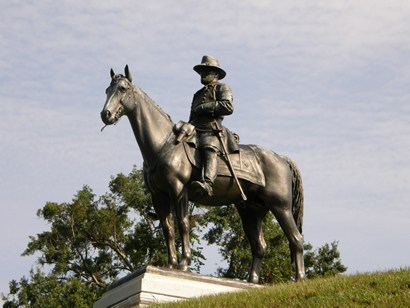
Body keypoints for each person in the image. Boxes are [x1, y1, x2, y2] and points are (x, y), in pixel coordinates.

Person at [189, 55, 234, 197]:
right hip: (195, 130)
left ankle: (208, 183)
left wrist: (205, 107)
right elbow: (192, 117)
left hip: (212, 130)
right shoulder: (197, 94)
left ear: (216, 74)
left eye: (206, 71)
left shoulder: (222, 87)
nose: (203, 74)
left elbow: (228, 106)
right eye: (201, 71)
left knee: (208, 147)